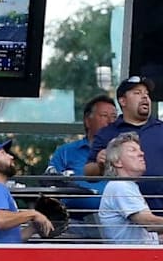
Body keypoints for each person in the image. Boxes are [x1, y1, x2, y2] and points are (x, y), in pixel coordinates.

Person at [85, 76, 163, 211]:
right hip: (126, 214)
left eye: (147, 94)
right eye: (137, 93)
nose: (145, 97)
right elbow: (88, 174)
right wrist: (99, 164)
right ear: (123, 101)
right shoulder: (107, 133)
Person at [45, 95, 117, 236]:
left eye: (114, 116)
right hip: (73, 222)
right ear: (87, 121)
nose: (111, 121)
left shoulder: (126, 152)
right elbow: (49, 180)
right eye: (104, 115)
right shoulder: (66, 151)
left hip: (115, 222)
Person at [98, 132, 163, 245]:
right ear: (117, 162)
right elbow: (149, 223)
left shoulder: (127, 185)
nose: (142, 153)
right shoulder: (120, 186)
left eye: (139, 150)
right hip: (131, 259)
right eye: (133, 150)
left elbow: (145, 237)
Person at [0, 139, 53, 242]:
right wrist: (33, 214)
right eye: (3, 153)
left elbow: (9, 240)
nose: (11, 156)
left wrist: (32, 228)